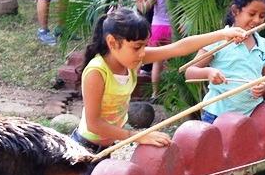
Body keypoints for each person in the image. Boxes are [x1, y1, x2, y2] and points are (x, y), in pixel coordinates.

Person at [76, 8, 246, 157]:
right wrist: (137, 136)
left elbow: (178, 48)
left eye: (145, 46)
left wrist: (222, 35)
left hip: (107, 147)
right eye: (137, 47)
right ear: (112, 43)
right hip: (86, 147)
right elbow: (94, 124)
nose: (143, 53)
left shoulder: (132, 59)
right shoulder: (96, 72)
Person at [185, 0, 265, 123]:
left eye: (262, 16)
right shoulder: (218, 41)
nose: (257, 20)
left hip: (251, 117)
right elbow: (189, 72)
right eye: (251, 14)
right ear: (235, 11)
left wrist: (264, 88)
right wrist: (208, 72)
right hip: (217, 116)